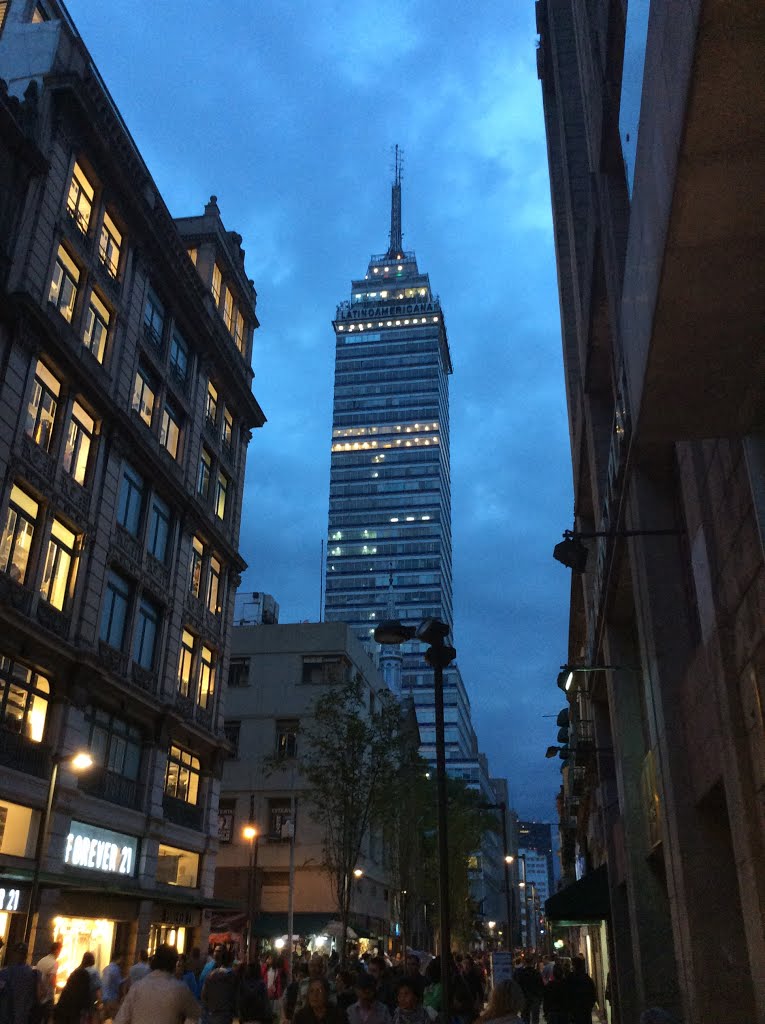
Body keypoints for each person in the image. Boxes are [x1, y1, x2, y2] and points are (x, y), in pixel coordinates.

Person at [113, 945, 200, 1024]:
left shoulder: (137, 987)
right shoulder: (180, 989)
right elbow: (195, 1016)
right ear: (174, 964)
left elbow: (121, 1019)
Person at [0, 942, 41, 1024]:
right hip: (24, 1017)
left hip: (6, 1017)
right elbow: (39, 995)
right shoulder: (34, 974)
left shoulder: (5, 973)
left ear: (13, 954)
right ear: (26, 955)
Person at [55, 953, 97, 1024]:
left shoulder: (76, 972)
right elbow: (85, 993)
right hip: (72, 1010)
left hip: (64, 1007)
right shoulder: (84, 974)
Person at [201, 947, 239, 1024]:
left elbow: (204, 995)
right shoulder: (233, 977)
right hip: (225, 1016)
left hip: (211, 1014)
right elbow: (236, 997)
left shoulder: (211, 975)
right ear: (231, 962)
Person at [564, 956, 596, 1024]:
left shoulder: (570, 978)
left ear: (574, 966)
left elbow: (567, 994)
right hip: (585, 1010)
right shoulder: (587, 978)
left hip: (576, 1010)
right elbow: (593, 994)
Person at [35, 942, 62, 1023]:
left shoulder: (41, 960)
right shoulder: (54, 963)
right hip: (48, 997)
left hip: (38, 995)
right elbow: (52, 980)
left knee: (38, 1019)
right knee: (47, 1019)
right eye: (60, 950)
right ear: (56, 950)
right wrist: (58, 987)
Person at [512, 958, 543, 1024]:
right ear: (532, 963)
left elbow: (518, 985)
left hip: (524, 997)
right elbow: (541, 986)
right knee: (535, 1017)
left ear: (524, 963)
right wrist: (540, 997)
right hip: (535, 997)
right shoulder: (536, 973)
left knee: (525, 1017)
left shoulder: (521, 973)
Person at [101, 955, 124, 1021]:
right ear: (118, 959)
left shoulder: (106, 969)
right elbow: (119, 984)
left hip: (104, 998)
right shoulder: (116, 969)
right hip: (112, 998)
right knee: (116, 1018)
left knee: (103, 1018)